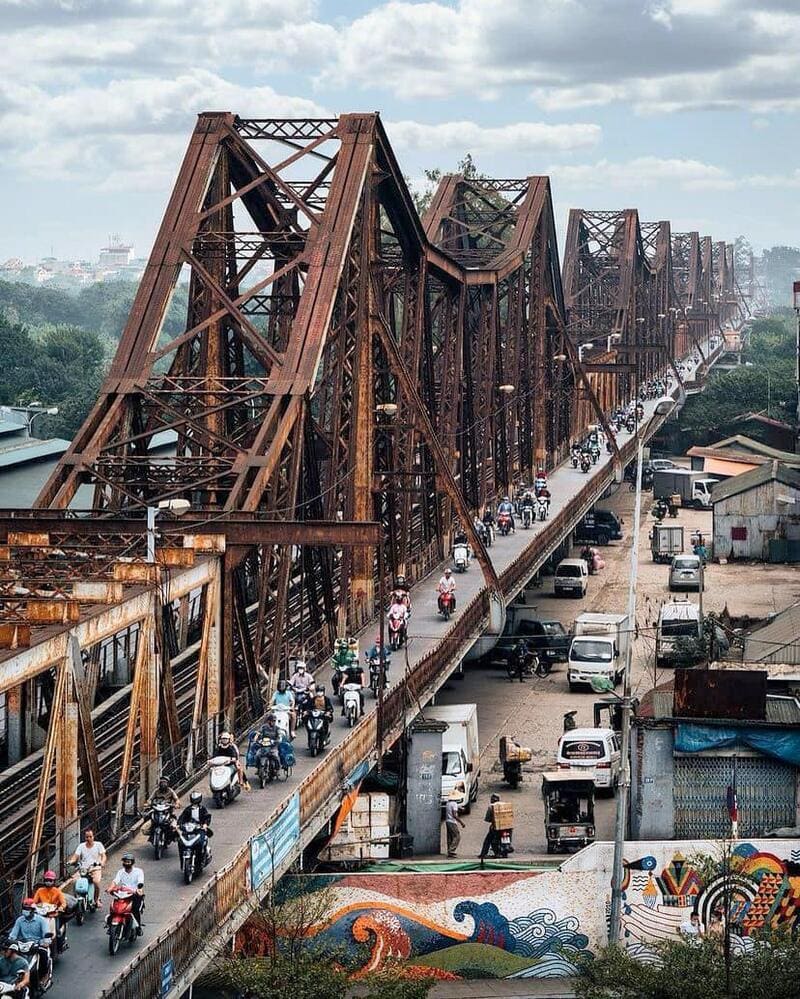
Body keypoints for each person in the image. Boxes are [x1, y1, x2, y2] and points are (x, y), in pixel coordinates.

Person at [9, 900, 52, 989]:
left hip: (37, 946)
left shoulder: (41, 920)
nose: (25, 911)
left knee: (43, 954)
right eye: (24, 909)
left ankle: (43, 977)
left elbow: (46, 936)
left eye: (27, 909)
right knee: (9, 955)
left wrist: (45, 942)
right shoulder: (19, 920)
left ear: (33, 910)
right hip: (23, 946)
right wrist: (10, 941)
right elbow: (13, 935)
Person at [108, 853, 145, 935]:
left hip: (134, 894)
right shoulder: (120, 872)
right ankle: (110, 925)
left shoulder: (138, 871)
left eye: (128, 862)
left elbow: (140, 881)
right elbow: (115, 881)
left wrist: (138, 889)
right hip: (123, 894)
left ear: (132, 862)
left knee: (135, 910)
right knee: (114, 908)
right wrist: (110, 888)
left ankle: (138, 927)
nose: (126, 863)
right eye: (125, 862)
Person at [69, 827, 106, 907]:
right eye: (87, 837)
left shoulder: (98, 845)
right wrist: (70, 861)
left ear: (93, 837)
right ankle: (76, 899)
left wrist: (102, 862)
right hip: (83, 869)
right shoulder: (81, 846)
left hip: (95, 868)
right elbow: (75, 856)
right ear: (84, 837)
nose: (88, 838)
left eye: (90, 836)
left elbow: (103, 856)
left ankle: (96, 900)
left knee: (96, 882)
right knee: (74, 881)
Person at [32, 871, 68, 953]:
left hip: (53, 914)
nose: (48, 882)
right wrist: (33, 906)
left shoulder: (57, 891)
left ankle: (60, 946)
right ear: (44, 881)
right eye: (47, 880)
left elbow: (63, 903)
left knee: (57, 932)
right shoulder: (40, 890)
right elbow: (34, 901)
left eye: (50, 880)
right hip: (42, 914)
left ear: (54, 881)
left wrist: (61, 908)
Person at [177, 791, 212, 864]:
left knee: (200, 843)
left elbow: (207, 817)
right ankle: (182, 861)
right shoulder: (188, 809)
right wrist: (179, 825)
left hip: (199, 829)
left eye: (196, 803)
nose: (194, 804)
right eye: (193, 803)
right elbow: (182, 818)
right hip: (189, 829)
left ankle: (200, 860)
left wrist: (205, 824)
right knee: (181, 843)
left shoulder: (202, 809)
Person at [479, 794, 509, 865]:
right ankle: (504, 853)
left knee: (489, 840)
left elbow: (487, 819)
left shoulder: (491, 806)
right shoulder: (504, 805)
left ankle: (484, 853)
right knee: (505, 839)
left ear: (492, 800)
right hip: (506, 826)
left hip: (495, 827)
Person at [444, 791, 466, 858]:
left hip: (447, 821)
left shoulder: (448, 803)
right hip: (452, 822)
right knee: (457, 836)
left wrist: (458, 809)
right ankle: (451, 850)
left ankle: (449, 851)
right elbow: (454, 815)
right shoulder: (454, 804)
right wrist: (461, 822)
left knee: (450, 837)